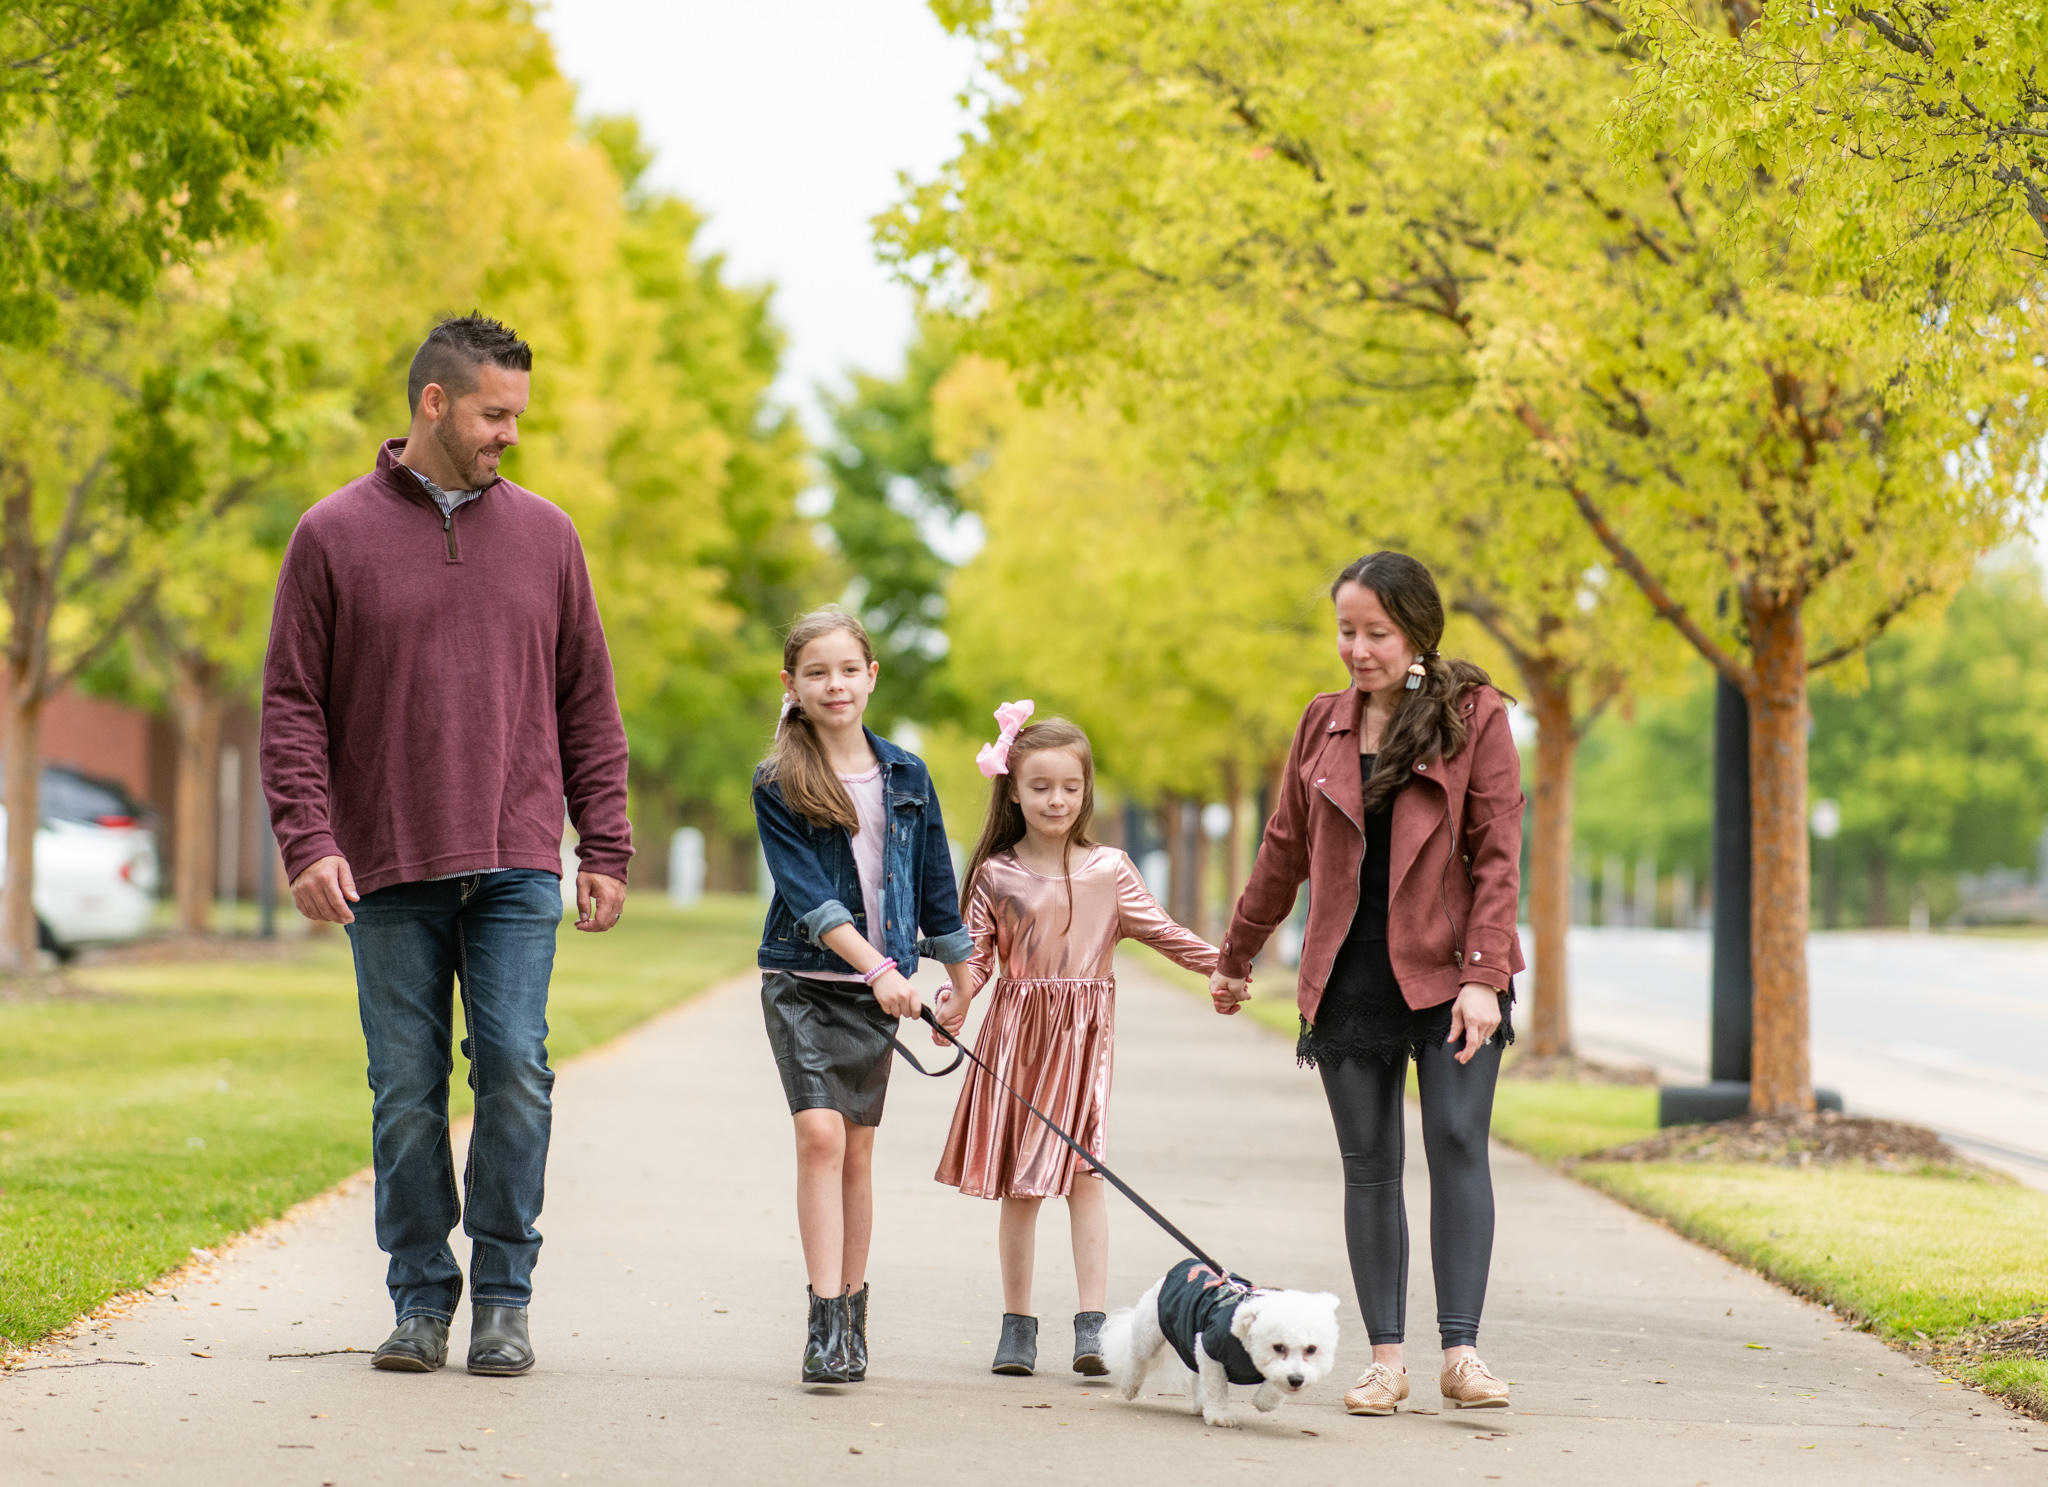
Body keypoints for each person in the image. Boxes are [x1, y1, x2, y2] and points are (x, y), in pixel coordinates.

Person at [260, 314, 631, 1380]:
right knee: (406, 1088)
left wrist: (603, 840)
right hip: (385, 862)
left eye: (517, 413)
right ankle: (421, 1295)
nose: (510, 433)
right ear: (434, 403)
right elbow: (290, 706)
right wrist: (306, 838)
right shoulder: (329, 534)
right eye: (493, 413)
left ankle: (504, 1297)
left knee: (516, 1068)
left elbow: (586, 702)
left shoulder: (549, 536)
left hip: (515, 855)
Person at [1210, 551, 1524, 1416]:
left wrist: (1485, 976)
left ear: (1417, 631)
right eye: (1346, 630)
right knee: (1370, 1165)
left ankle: (1461, 1351)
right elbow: (1284, 847)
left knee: (1458, 1141)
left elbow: (1499, 856)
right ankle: (1386, 1359)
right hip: (1350, 974)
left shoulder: (1475, 716)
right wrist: (1236, 953)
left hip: (1455, 974)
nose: (1357, 648)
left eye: (1375, 632)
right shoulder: (1324, 724)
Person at [934, 708, 1220, 1378]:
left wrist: (1223, 962)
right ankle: (1017, 1324)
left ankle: (1092, 1324)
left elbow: (1165, 932)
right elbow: (975, 958)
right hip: (1018, 1039)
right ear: (1013, 790)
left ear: (1086, 790)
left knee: (1086, 1175)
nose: (1056, 799)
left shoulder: (1110, 869)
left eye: (1070, 786)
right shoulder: (995, 874)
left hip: (1085, 1038)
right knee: (1023, 1185)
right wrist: (958, 997)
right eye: (1040, 786)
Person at [752, 609, 977, 1385]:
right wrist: (880, 968)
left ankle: (852, 1312)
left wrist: (962, 975)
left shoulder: (907, 774)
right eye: (817, 672)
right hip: (805, 981)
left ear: (872, 675)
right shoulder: (778, 780)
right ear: (792, 685)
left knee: (857, 1149)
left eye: (848, 669)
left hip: (878, 994)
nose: (834, 684)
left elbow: (936, 887)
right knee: (820, 1134)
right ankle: (821, 1318)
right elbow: (809, 896)